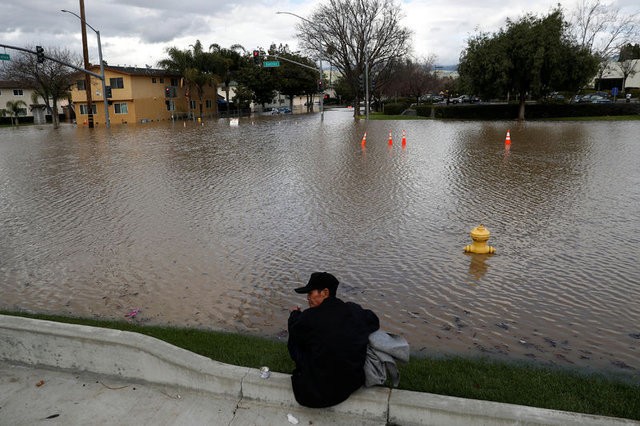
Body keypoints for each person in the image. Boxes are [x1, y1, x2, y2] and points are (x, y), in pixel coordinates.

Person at [287, 272, 379, 408]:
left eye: (310, 293)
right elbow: (373, 321)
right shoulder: (353, 310)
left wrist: (294, 316)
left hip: (314, 394)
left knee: (296, 339)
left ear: (324, 292)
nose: (307, 298)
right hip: (350, 384)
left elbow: (294, 342)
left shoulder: (308, 317)